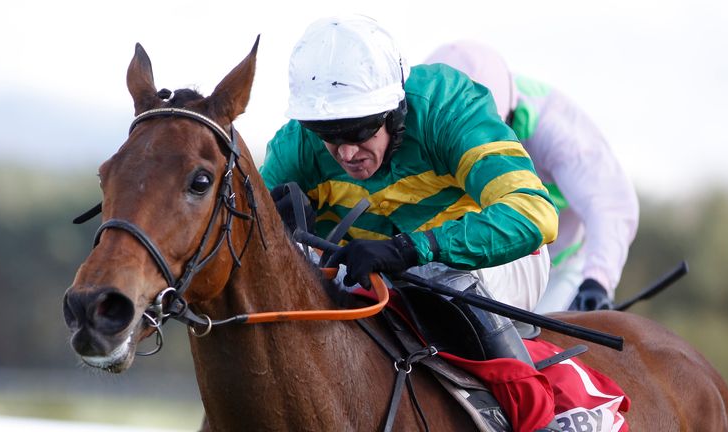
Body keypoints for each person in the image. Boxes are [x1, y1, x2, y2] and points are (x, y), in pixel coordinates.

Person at [260, 15, 558, 367]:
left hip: (502, 261)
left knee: (428, 276)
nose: (346, 153)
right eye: (329, 135)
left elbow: (536, 215)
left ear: (395, 111)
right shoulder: (295, 145)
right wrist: (278, 233)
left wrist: (412, 247)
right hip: (378, 274)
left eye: (357, 132)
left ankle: (536, 410)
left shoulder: (448, 110)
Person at [425, 41, 639, 313]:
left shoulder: (559, 134)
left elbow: (609, 207)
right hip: (481, 248)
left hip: (558, 266)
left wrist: (596, 282)